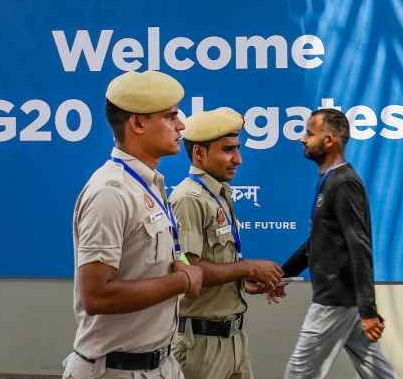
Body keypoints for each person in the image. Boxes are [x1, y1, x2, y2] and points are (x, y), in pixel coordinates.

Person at [64, 70, 203, 379]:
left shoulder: (150, 184)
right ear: (138, 123)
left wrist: (180, 263)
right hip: (115, 369)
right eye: (170, 116)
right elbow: (97, 295)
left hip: (162, 366)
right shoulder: (110, 193)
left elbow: (161, 253)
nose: (181, 125)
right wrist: (182, 282)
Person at [280, 109, 398, 379]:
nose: (303, 139)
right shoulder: (329, 180)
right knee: (376, 370)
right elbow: (318, 242)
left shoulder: (344, 183)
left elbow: (359, 247)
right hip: (345, 300)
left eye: (309, 133)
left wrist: (368, 310)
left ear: (329, 140)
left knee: (299, 373)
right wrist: (283, 274)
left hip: (334, 301)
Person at [170, 108, 284, 379]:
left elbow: (218, 263)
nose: (238, 159)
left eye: (238, 149)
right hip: (200, 344)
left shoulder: (219, 194)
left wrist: (242, 281)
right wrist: (248, 269)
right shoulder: (188, 199)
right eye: (228, 150)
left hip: (234, 339)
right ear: (199, 153)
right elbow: (190, 272)